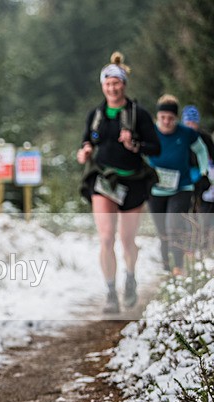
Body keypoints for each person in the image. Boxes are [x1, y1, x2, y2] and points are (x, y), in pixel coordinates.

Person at [77, 52, 161, 314]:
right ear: (103, 86)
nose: (112, 88)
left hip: (133, 182)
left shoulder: (139, 114)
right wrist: (84, 152)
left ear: (123, 84)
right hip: (103, 180)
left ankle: (131, 277)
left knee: (127, 240)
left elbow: (155, 148)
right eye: (107, 84)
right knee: (105, 238)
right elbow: (86, 142)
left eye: (116, 83)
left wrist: (134, 144)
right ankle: (111, 292)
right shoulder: (96, 114)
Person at [147, 96, 210, 275]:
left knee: (174, 224)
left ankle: (178, 266)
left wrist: (203, 172)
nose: (166, 122)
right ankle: (166, 264)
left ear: (176, 118)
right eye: (162, 117)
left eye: (171, 118)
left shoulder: (186, 133)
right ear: (157, 117)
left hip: (181, 187)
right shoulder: (149, 132)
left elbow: (201, 150)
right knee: (162, 231)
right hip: (156, 188)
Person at [180, 105, 214, 248]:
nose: (191, 126)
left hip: (203, 178)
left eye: (193, 122)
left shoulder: (204, 137)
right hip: (185, 178)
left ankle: (204, 243)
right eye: (188, 123)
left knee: (204, 211)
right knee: (187, 211)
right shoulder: (180, 136)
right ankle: (188, 242)